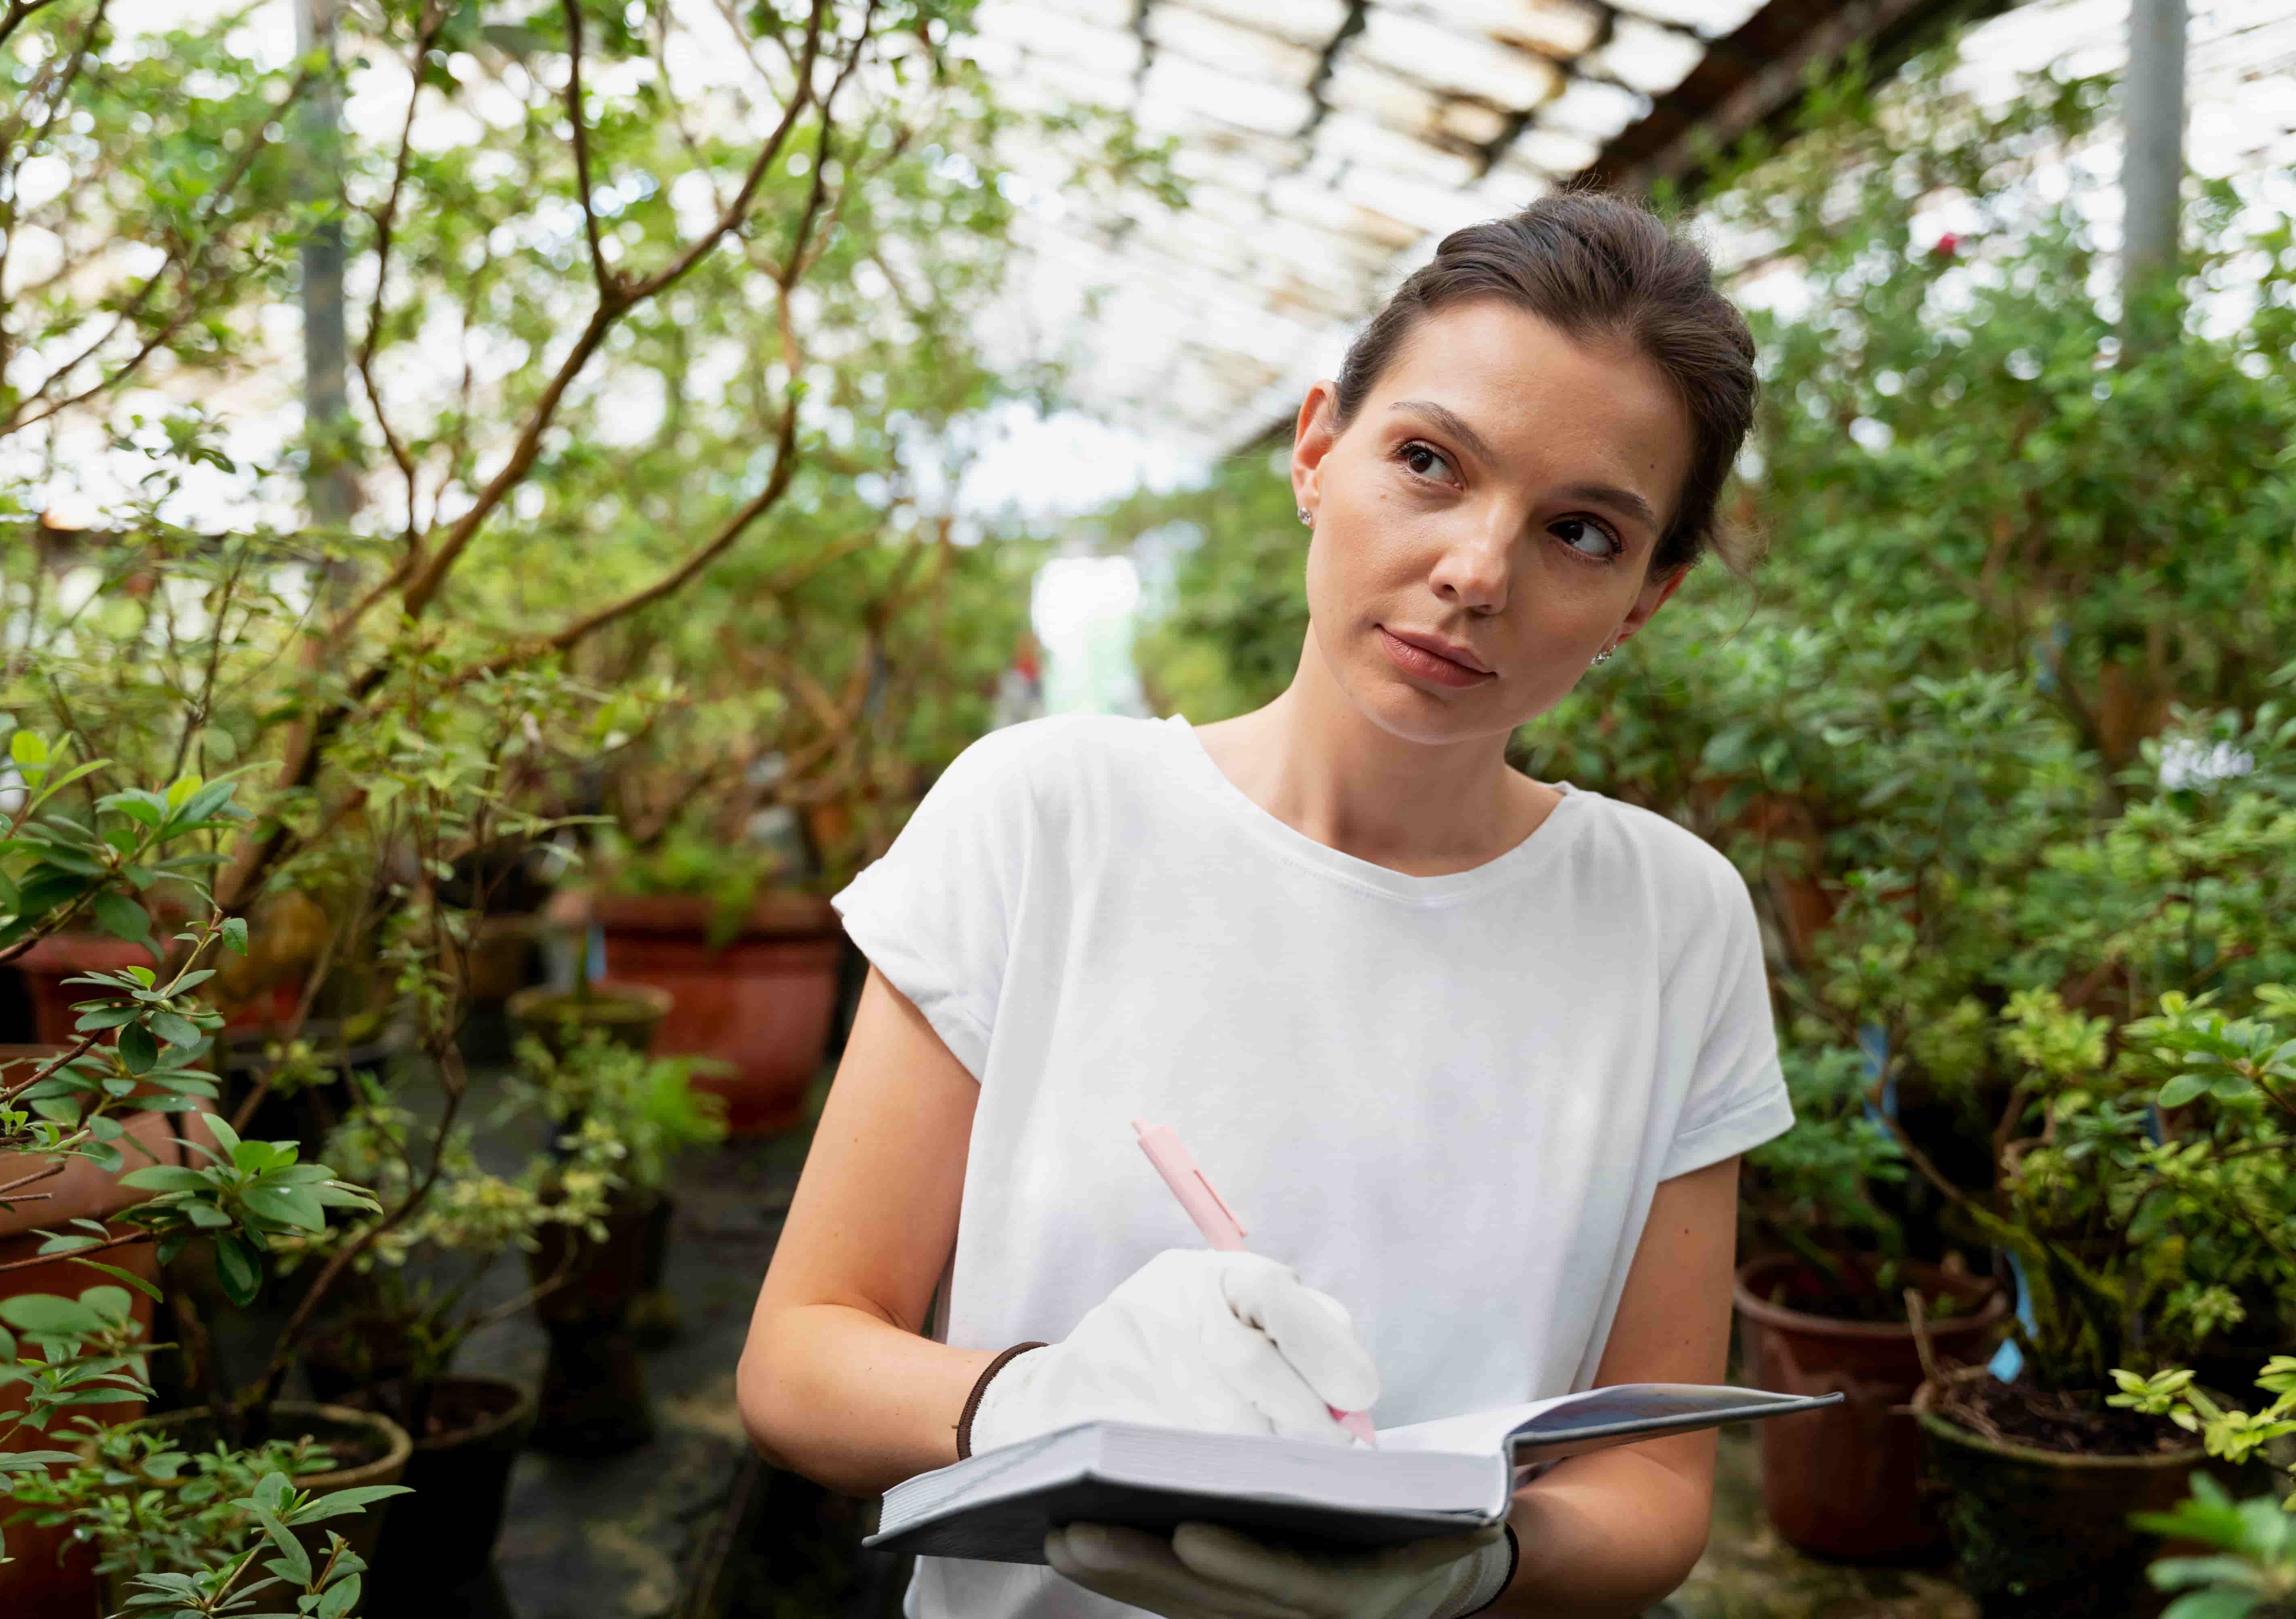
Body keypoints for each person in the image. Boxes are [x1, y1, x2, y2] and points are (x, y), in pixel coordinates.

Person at [737, 190, 1789, 1619]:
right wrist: (1050, 1402)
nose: (1478, 571)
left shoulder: (1673, 922)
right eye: (1429, 461)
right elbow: (801, 1356)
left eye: (1584, 534)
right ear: (1316, 451)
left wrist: (1478, 1569)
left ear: (1644, 602)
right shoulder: (1047, 817)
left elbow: (1658, 1481)